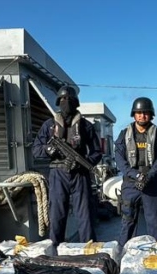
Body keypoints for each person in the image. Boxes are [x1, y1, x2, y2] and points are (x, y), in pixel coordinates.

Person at [32, 85, 103, 244]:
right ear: (58, 101)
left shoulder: (85, 126)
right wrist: (49, 150)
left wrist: (84, 163)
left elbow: (96, 152)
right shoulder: (49, 125)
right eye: (63, 99)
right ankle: (55, 249)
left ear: (76, 102)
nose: (66, 102)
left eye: (69, 99)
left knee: (85, 215)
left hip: (80, 173)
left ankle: (89, 249)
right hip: (58, 173)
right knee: (57, 214)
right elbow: (36, 149)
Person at [114, 97, 157, 246]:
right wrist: (135, 175)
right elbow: (119, 158)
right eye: (138, 112)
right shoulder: (124, 134)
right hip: (131, 183)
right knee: (127, 221)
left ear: (151, 115)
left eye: (145, 113)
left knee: (155, 222)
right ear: (133, 114)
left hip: (151, 183)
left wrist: (149, 176)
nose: (142, 115)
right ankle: (123, 252)